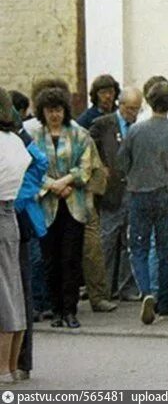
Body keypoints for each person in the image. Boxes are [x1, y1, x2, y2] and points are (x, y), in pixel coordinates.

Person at [117, 81, 168, 325]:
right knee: (167, 249)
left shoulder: (136, 130)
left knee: (139, 247)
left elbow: (122, 161)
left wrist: (134, 175)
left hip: (140, 193)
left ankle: (147, 291)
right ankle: (165, 305)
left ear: (147, 101)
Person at [31, 87, 95, 329]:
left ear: (65, 110)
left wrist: (66, 181)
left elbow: (85, 167)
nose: (54, 115)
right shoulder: (35, 137)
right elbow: (31, 169)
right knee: (50, 259)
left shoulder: (79, 134)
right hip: (47, 206)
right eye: (49, 110)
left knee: (71, 258)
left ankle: (70, 310)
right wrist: (52, 185)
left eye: (58, 110)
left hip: (73, 205)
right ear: (42, 112)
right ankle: (55, 309)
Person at [90, 87, 144, 303]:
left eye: (137, 109)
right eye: (130, 109)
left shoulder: (139, 127)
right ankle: (103, 288)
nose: (133, 113)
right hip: (111, 190)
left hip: (133, 189)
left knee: (129, 241)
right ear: (120, 106)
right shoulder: (103, 124)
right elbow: (89, 148)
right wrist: (100, 166)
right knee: (107, 241)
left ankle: (126, 287)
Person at [12, 106, 49, 382]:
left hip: (16, 212)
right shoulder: (19, 138)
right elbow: (40, 162)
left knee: (20, 287)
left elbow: (39, 162)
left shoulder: (16, 138)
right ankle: (21, 361)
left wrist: (23, 193)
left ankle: (19, 360)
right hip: (20, 210)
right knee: (20, 287)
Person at [0, 88, 33, 384]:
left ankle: (1, 368)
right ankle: (10, 366)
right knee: (13, 287)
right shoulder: (16, 143)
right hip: (9, 214)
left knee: (2, 295)